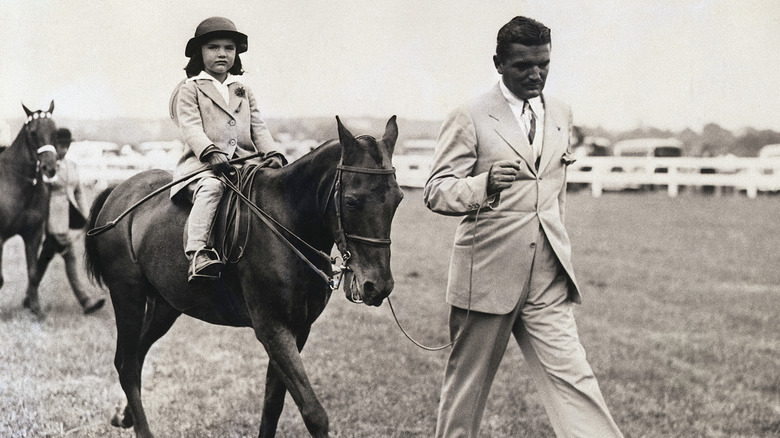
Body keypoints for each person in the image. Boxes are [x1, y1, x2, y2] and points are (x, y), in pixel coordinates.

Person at [424, 16, 623, 437]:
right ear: (498, 64)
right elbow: (436, 191)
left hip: (548, 275)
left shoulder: (562, 112)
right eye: (523, 66)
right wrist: (482, 185)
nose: (536, 74)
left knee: (576, 381)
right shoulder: (469, 116)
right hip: (487, 277)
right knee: (467, 391)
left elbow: (554, 190)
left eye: (544, 64)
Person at [169, 16, 285, 282]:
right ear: (199, 52)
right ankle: (198, 253)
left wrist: (272, 153)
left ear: (236, 53)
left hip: (244, 166)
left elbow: (258, 126)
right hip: (202, 168)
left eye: (228, 48)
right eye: (213, 47)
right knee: (212, 188)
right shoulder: (190, 89)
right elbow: (190, 127)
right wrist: (210, 152)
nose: (222, 53)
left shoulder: (242, 89)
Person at [31, 128, 105, 314]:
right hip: (52, 220)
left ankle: (29, 293)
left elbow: (79, 192)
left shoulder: (72, 166)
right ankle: (86, 301)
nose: (64, 149)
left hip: (70, 217)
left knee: (43, 260)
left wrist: (87, 216)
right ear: (54, 146)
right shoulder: (47, 167)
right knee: (70, 257)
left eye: (67, 145)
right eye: (61, 145)